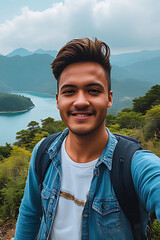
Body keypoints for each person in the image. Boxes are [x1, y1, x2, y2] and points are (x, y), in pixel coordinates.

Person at [14, 38, 160, 239]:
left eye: (93, 91)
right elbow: (30, 214)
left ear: (109, 98)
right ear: (58, 100)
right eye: (69, 91)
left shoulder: (134, 165)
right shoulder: (44, 152)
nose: (80, 101)